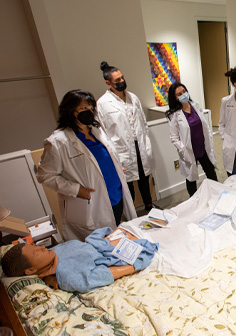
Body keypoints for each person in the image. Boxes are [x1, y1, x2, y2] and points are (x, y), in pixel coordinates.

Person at [37, 90, 137, 241]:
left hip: (115, 196)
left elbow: (102, 159)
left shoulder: (97, 130)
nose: (89, 112)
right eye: (84, 108)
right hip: (92, 204)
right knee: (100, 243)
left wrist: (114, 167)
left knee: (115, 237)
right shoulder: (58, 142)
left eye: (91, 108)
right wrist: (76, 190)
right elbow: (44, 175)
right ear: (70, 111)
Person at [1, 227, 158, 293]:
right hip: (114, 254)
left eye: (35, 246)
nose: (41, 248)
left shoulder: (52, 252)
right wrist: (137, 265)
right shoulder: (70, 277)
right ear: (30, 271)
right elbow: (108, 274)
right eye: (36, 253)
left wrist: (112, 238)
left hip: (106, 243)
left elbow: (81, 247)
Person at [96, 61, 155, 211]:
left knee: (144, 177)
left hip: (139, 144)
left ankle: (149, 204)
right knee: (127, 185)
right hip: (121, 149)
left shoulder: (133, 98)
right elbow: (102, 131)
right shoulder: (103, 103)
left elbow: (142, 122)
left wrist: (146, 142)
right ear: (108, 83)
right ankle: (130, 212)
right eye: (117, 80)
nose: (122, 81)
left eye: (122, 78)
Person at [166, 82, 218, 196]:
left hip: (202, 147)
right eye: (179, 94)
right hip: (189, 151)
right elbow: (174, 137)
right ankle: (193, 201)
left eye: (184, 91)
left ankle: (216, 195)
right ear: (175, 98)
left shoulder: (195, 105)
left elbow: (204, 125)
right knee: (191, 178)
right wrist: (182, 149)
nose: (183, 95)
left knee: (211, 173)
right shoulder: (174, 115)